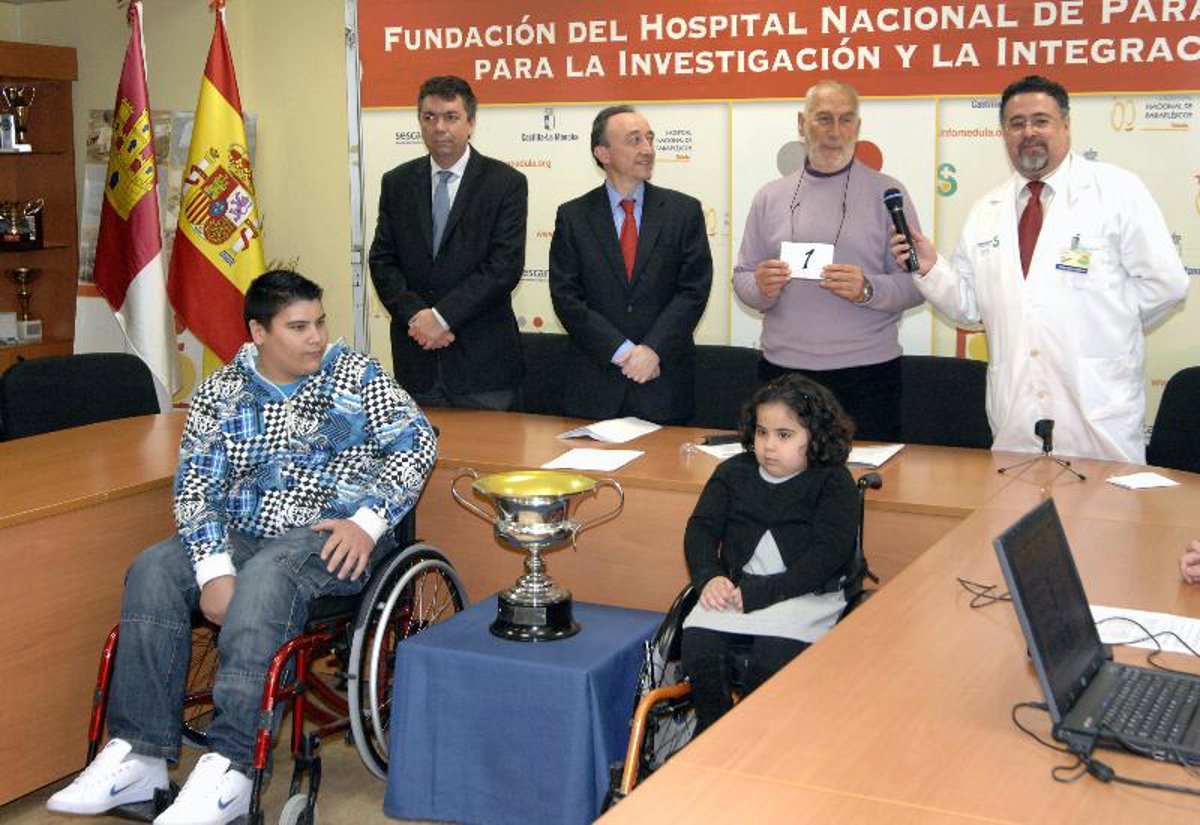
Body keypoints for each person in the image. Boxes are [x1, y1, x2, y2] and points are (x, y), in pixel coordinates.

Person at [47, 271, 437, 825]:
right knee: (154, 568)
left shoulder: (355, 373)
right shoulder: (221, 392)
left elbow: (417, 441)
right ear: (258, 332)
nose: (316, 337)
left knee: (267, 578)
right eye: (298, 327)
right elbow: (196, 489)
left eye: (320, 322)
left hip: (332, 536)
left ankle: (233, 766)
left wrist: (368, 522)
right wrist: (213, 570)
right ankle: (140, 755)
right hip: (245, 531)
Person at [892, 75, 1188, 462]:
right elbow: (969, 306)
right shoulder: (987, 211)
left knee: (1105, 501)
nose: (1028, 132)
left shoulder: (1117, 191)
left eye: (1040, 120)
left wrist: (1109, 324)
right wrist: (931, 269)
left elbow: (1167, 284)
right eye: (1016, 123)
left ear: (1065, 125)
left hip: (1096, 407)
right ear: (1004, 134)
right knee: (1017, 498)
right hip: (1016, 413)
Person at [733, 79, 925, 442]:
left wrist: (868, 289)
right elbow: (742, 277)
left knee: (865, 475)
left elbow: (918, 283)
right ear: (801, 124)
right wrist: (760, 287)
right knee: (783, 474)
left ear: (858, 127)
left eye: (846, 119)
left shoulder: (888, 194)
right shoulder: (769, 197)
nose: (835, 132)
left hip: (868, 375)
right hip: (783, 373)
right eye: (823, 118)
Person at [680, 374, 859, 733]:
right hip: (737, 589)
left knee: (770, 659)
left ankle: (755, 740)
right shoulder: (733, 472)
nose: (769, 446)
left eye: (784, 435)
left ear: (816, 436)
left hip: (806, 595)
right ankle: (712, 732)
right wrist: (709, 577)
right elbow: (700, 530)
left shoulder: (833, 481)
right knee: (699, 644)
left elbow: (828, 555)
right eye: (762, 432)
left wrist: (764, 592)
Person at [369, 75, 527, 410]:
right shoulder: (397, 183)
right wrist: (417, 316)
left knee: (490, 446)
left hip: (482, 368)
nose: (439, 127)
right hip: (416, 361)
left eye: (451, 117)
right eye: (429, 117)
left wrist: (441, 318)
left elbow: (503, 268)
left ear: (471, 123)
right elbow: (383, 260)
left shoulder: (505, 183)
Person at [549, 105, 713, 425]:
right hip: (595, 384)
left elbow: (693, 291)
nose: (648, 149)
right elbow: (566, 297)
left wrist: (652, 350)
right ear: (603, 153)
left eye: (650, 139)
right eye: (634, 140)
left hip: (663, 381)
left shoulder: (683, 212)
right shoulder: (573, 216)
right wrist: (622, 351)